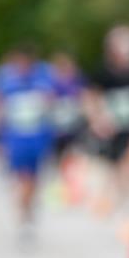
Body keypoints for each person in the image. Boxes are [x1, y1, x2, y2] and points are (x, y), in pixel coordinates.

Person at [0, 42, 58, 248]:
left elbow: (52, 105)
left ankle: (27, 212)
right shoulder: (6, 82)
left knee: (34, 180)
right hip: (16, 139)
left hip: (37, 138)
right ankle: (23, 215)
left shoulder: (43, 80)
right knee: (22, 179)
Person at [84, 25, 129, 215]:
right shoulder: (103, 73)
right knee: (112, 164)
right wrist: (97, 120)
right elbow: (90, 97)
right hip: (112, 126)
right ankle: (115, 196)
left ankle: (127, 196)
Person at [49, 51, 87, 205]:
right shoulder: (52, 83)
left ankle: (74, 190)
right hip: (58, 130)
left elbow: (84, 99)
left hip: (74, 128)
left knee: (75, 158)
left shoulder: (78, 81)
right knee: (59, 161)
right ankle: (63, 190)